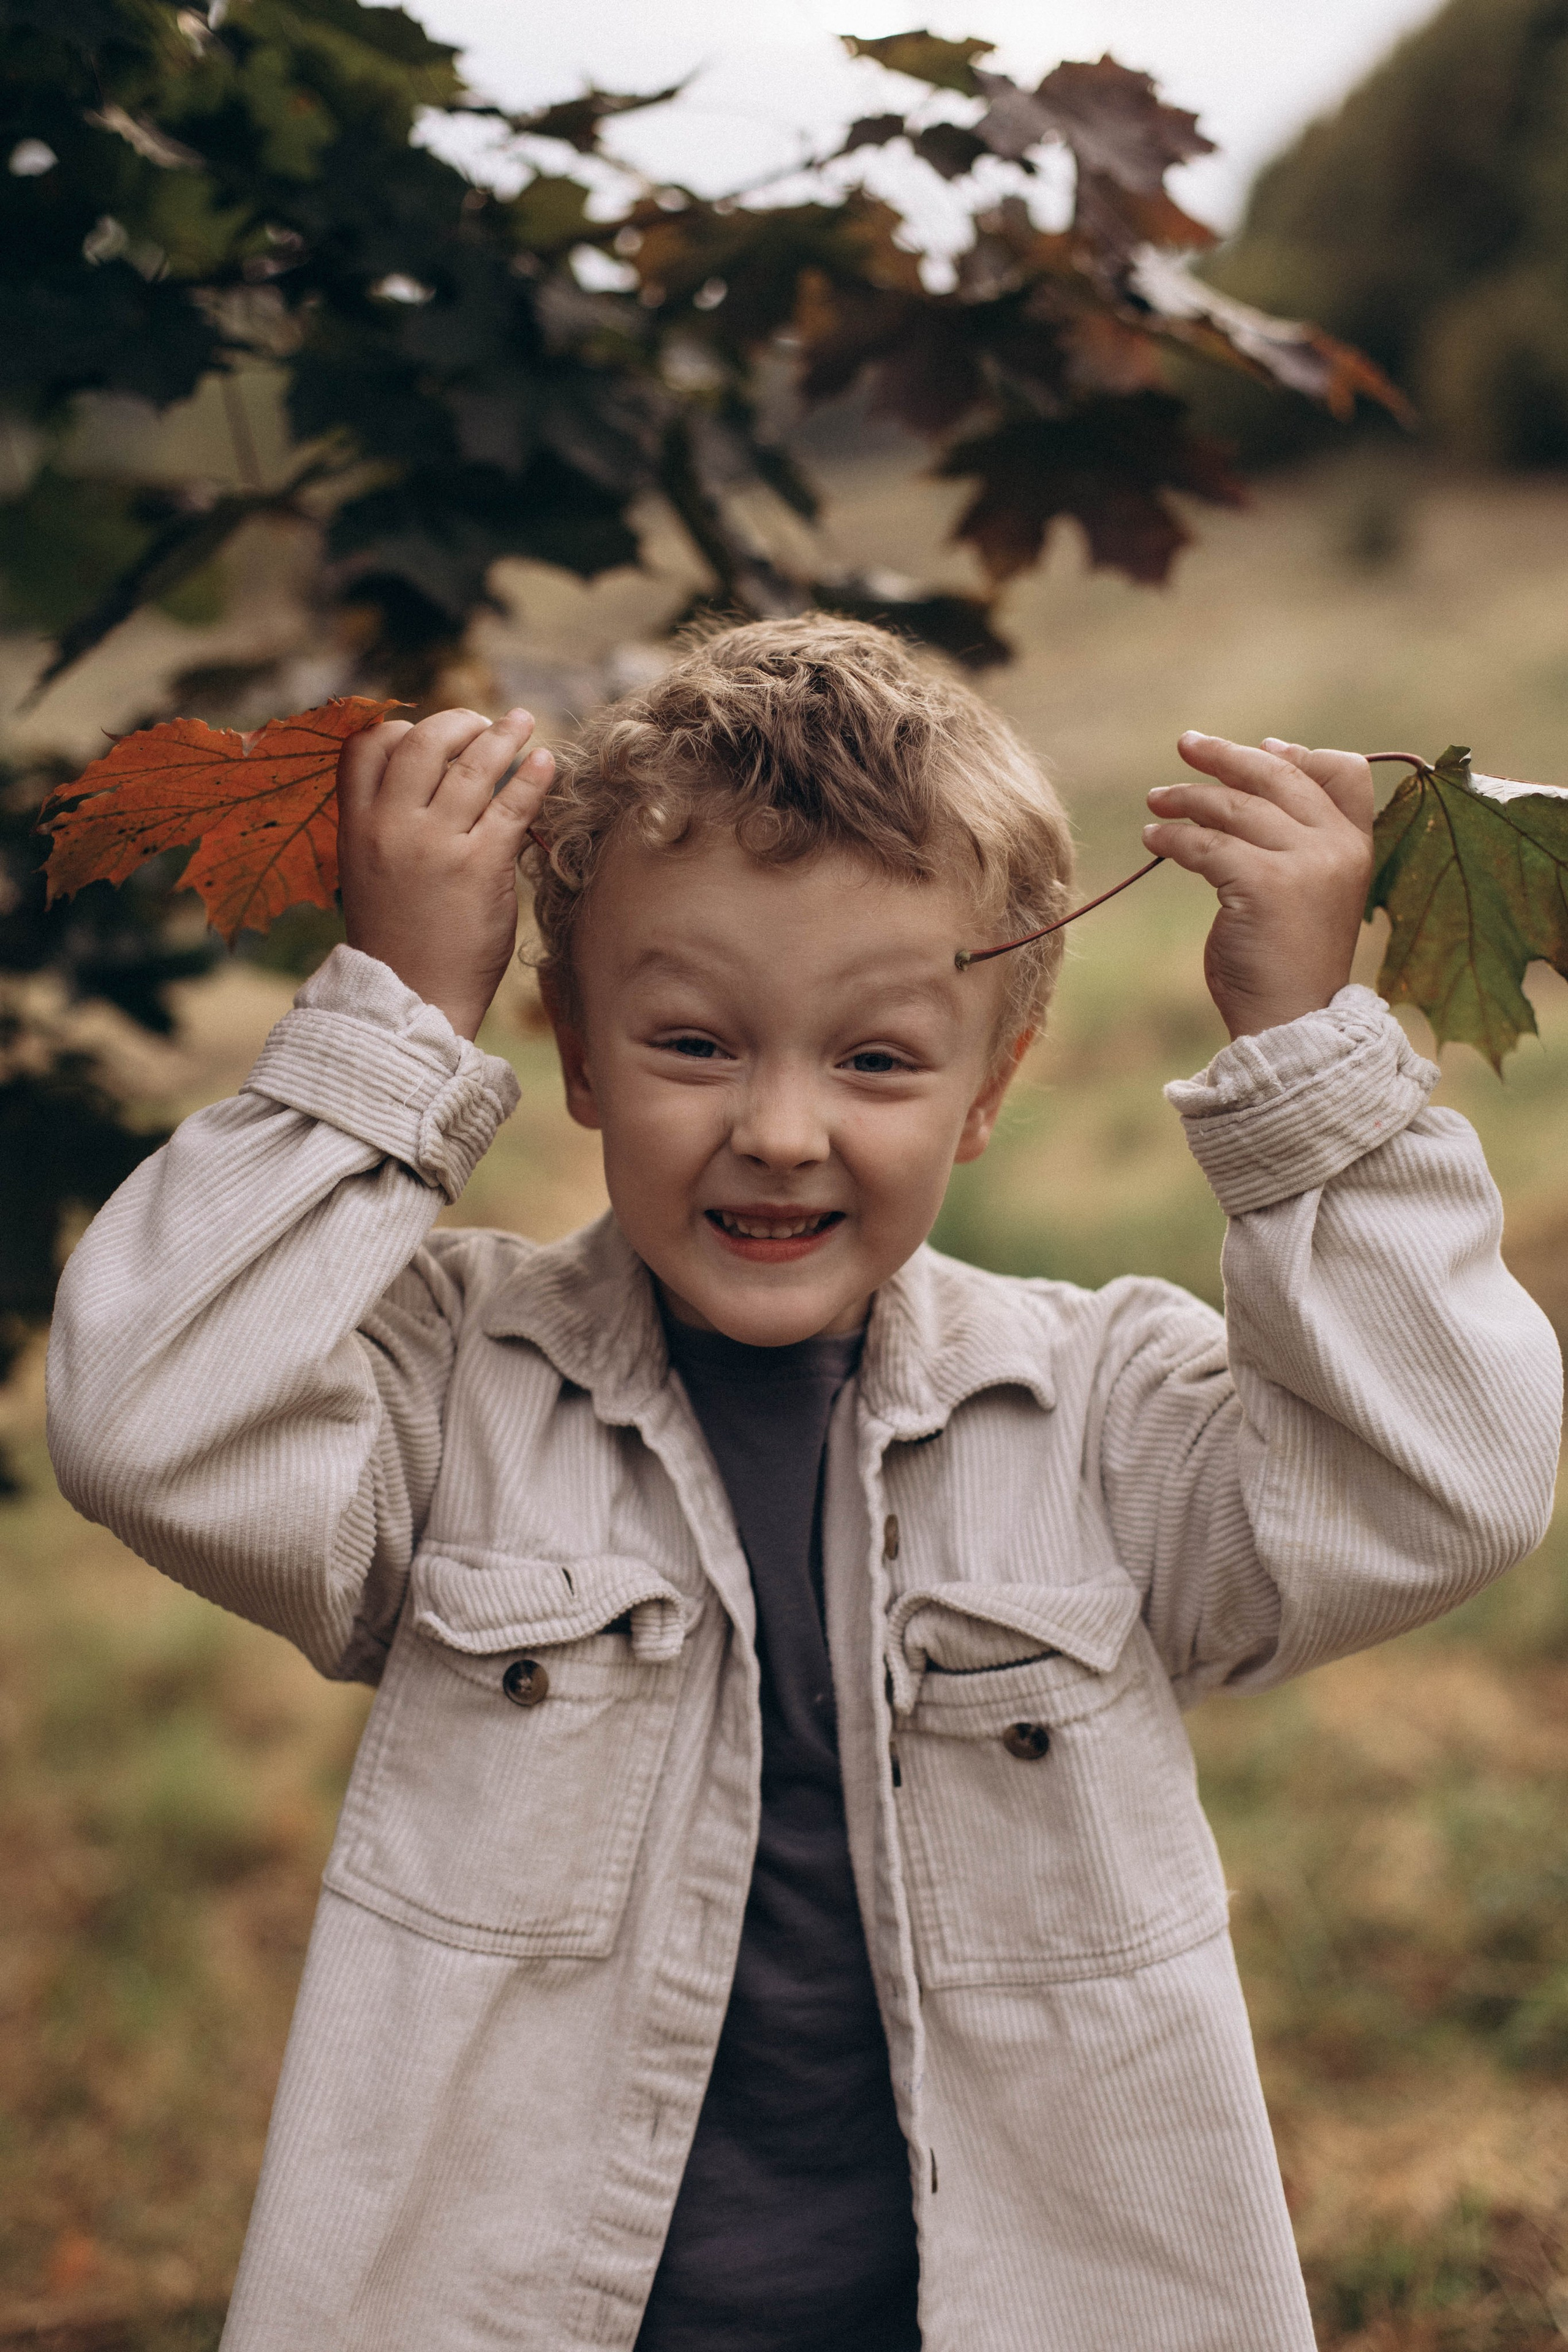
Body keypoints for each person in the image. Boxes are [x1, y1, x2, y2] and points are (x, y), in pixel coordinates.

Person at [47, 617, 1560, 2352]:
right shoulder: (453, 1390)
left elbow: (1446, 1482)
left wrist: (1308, 1058)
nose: (779, 1127)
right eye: (694, 1043)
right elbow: (147, 1413)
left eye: (877, 1059)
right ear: (580, 1053)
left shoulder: (1100, 1416)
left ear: (989, 1091)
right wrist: (392, 1024)